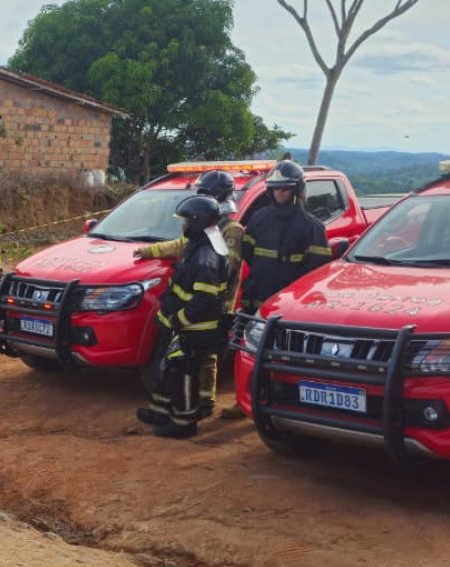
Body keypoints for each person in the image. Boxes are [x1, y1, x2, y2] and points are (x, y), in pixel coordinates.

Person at [135, 170, 244, 418]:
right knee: (186, 358)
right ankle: (188, 403)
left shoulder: (230, 230)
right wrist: (150, 251)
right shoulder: (203, 229)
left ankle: (204, 403)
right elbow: (180, 244)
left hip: (215, 302)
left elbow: (227, 267)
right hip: (198, 304)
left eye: (205, 192)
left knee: (206, 356)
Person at [239, 160, 331, 314]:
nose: (279, 192)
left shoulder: (311, 226)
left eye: (285, 188)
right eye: (275, 188)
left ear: (297, 190)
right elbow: (247, 251)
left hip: (290, 300)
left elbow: (317, 268)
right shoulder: (258, 219)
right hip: (256, 296)